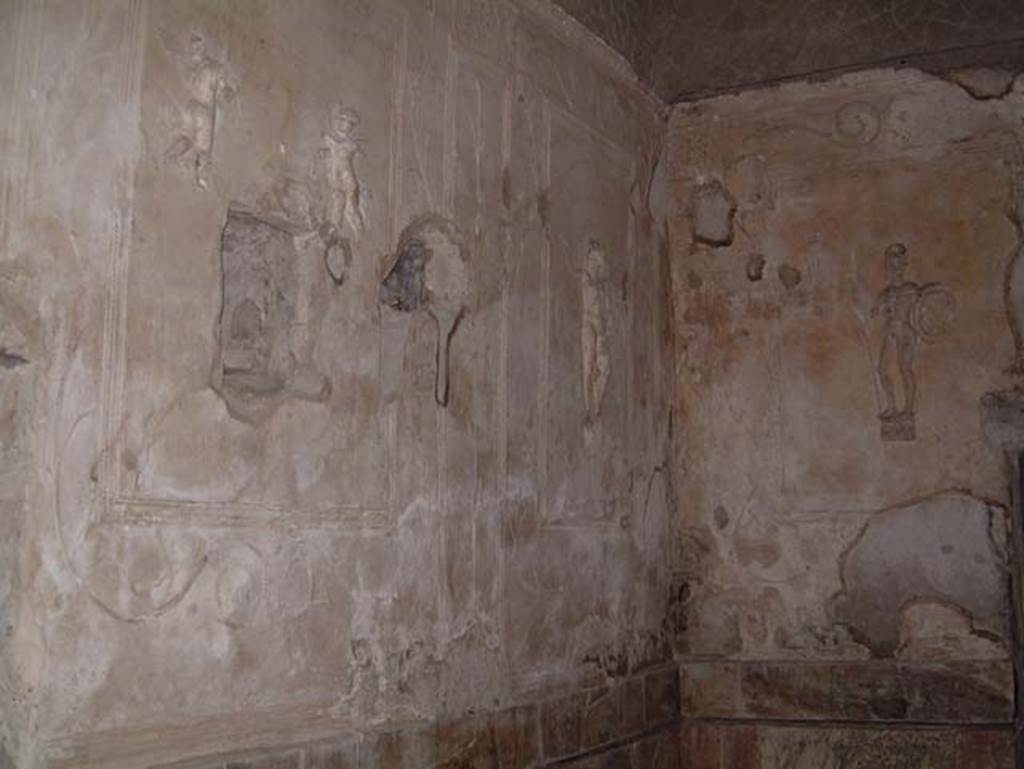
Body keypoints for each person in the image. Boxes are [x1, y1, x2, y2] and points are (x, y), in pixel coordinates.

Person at [872, 243, 921, 419]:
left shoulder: (911, 289)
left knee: (905, 368)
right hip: (890, 334)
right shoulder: (884, 293)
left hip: (906, 333)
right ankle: (892, 406)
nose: (894, 268)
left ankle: (908, 409)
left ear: (903, 264)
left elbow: (923, 313)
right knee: (882, 370)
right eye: (890, 264)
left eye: (898, 263)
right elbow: (873, 312)